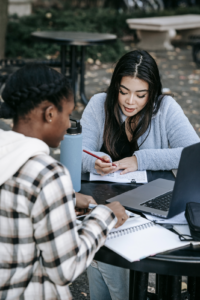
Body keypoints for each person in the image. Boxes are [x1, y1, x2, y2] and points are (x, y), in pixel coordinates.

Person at [0, 64, 128, 300]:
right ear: (49, 114)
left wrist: (65, 197)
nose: (70, 124)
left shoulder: (6, 154)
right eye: (67, 114)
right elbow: (65, 268)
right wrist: (105, 216)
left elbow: (16, 199)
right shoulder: (48, 174)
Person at [81, 50, 200, 300]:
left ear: (153, 92)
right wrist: (95, 162)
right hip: (108, 203)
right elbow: (79, 153)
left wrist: (140, 159)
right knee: (107, 259)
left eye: (140, 94)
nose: (130, 101)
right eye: (123, 91)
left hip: (153, 202)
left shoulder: (165, 108)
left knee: (107, 260)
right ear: (115, 86)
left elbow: (193, 152)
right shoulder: (98, 105)